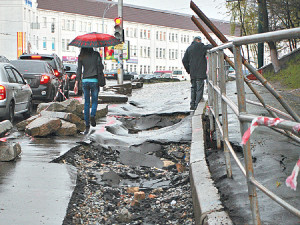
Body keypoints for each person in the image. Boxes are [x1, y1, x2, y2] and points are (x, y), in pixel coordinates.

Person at [74, 47, 104, 134]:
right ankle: (93, 115)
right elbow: (101, 67)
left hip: (85, 81)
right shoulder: (96, 55)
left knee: (86, 102)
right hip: (94, 81)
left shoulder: (81, 56)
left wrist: (76, 83)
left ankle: (87, 124)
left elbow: (79, 70)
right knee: (94, 101)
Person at [182, 36, 213, 110]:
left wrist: (188, 70)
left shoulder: (189, 48)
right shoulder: (201, 46)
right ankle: (197, 105)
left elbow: (184, 60)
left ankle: (192, 105)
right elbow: (210, 46)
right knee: (199, 89)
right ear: (199, 40)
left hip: (192, 72)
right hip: (200, 72)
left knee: (193, 88)